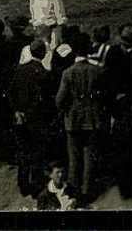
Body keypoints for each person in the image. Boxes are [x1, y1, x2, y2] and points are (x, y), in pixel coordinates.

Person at [54, 32, 106, 206]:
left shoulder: (68, 73)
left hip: (73, 120)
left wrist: (67, 110)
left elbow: (59, 100)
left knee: (74, 157)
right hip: (92, 118)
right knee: (89, 156)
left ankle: (74, 190)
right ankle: (87, 190)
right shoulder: (96, 71)